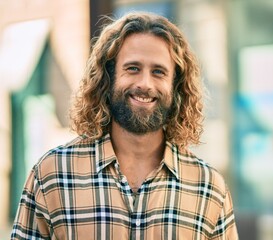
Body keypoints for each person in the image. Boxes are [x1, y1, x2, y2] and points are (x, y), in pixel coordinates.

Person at [11, 12, 239, 239]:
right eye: (133, 68)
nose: (144, 84)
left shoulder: (209, 187)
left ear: (176, 86)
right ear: (108, 77)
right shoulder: (52, 175)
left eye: (158, 72)